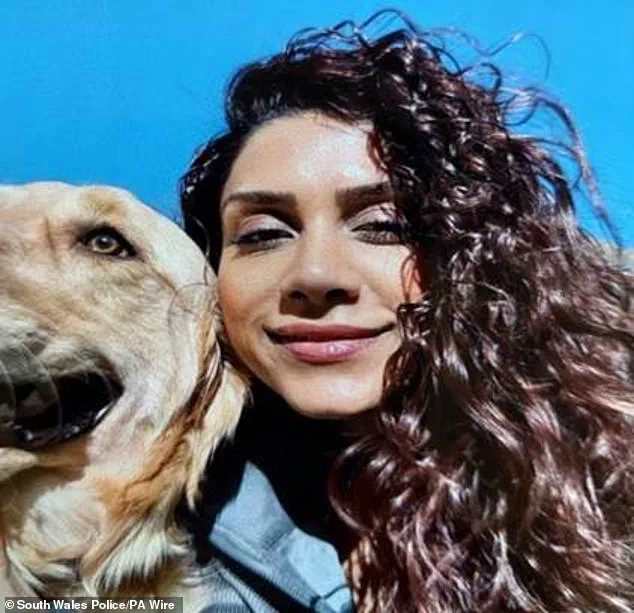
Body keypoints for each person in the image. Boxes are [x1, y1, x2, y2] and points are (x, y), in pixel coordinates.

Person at [180, 10, 634, 613]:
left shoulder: (611, 487)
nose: (315, 276)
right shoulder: (137, 538)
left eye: (383, 226)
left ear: (476, 254)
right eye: (263, 234)